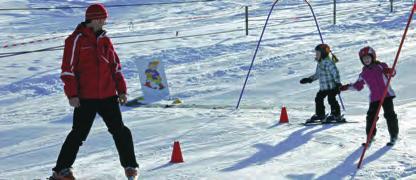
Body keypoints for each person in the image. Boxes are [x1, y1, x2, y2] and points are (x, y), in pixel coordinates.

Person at [51, 3, 139, 179]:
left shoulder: (105, 40)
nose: (105, 22)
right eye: (103, 19)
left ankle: (130, 166)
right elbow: (67, 70)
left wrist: (121, 90)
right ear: (96, 18)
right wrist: (73, 95)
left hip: (108, 95)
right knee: (78, 134)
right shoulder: (75, 40)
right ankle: (61, 170)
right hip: (86, 98)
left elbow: (116, 67)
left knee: (120, 131)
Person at [340, 46, 398, 146]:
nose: (366, 60)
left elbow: (392, 73)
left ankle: (393, 135)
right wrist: (346, 87)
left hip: (386, 95)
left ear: (373, 57)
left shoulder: (381, 66)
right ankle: (370, 137)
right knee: (371, 117)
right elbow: (357, 86)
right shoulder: (363, 73)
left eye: (368, 58)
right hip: (374, 98)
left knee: (390, 115)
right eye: (364, 59)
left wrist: (390, 71)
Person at [300, 44, 343, 123]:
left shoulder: (328, 62)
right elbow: (317, 75)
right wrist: (309, 79)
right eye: (316, 53)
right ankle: (320, 114)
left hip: (332, 87)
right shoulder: (319, 63)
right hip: (323, 88)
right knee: (318, 98)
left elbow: (335, 73)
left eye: (317, 53)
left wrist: (338, 83)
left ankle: (336, 114)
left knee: (331, 100)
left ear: (323, 53)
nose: (316, 55)